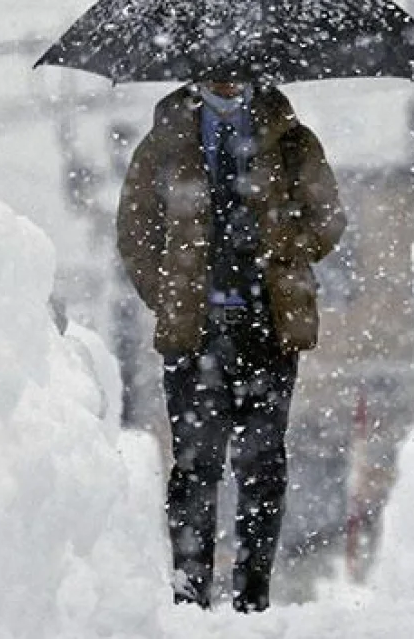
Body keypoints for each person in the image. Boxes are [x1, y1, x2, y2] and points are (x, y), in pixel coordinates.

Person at [115, 79, 346, 612]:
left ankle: (251, 597)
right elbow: (135, 231)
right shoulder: (164, 144)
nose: (226, 75)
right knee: (195, 467)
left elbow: (328, 220)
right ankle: (190, 595)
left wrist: (287, 245)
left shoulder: (292, 141)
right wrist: (170, 293)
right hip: (195, 333)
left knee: (263, 465)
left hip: (267, 327)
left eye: (238, 64)